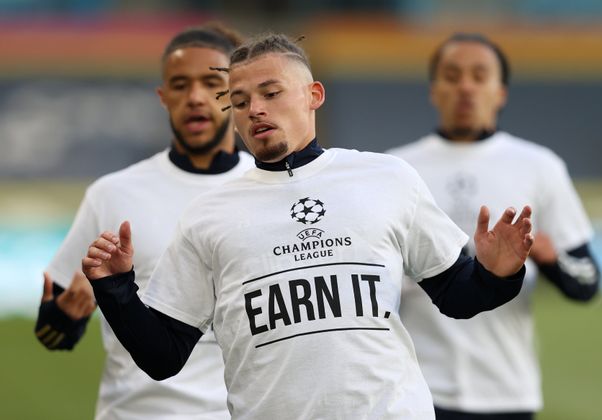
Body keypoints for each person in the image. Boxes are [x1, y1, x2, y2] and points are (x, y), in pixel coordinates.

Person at [81, 33, 535, 420]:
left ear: (313, 95)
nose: (253, 109)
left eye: (270, 93)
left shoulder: (387, 178)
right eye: (239, 101)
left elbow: (458, 296)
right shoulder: (209, 214)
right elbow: (163, 356)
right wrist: (116, 287)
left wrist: (499, 273)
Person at [34, 22, 254, 420]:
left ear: (237, 91)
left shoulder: (269, 189)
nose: (195, 97)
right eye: (180, 84)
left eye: (210, 82)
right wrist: (67, 317)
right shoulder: (114, 193)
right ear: (162, 96)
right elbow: (51, 331)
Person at [387, 33, 600, 420]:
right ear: (434, 91)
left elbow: (586, 283)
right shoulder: (394, 170)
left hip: (505, 392)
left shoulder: (539, 166)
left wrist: (544, 254)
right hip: (414, 392)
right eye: (452, 76)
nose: (465, 86)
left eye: (479, 75)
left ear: (500, 92)